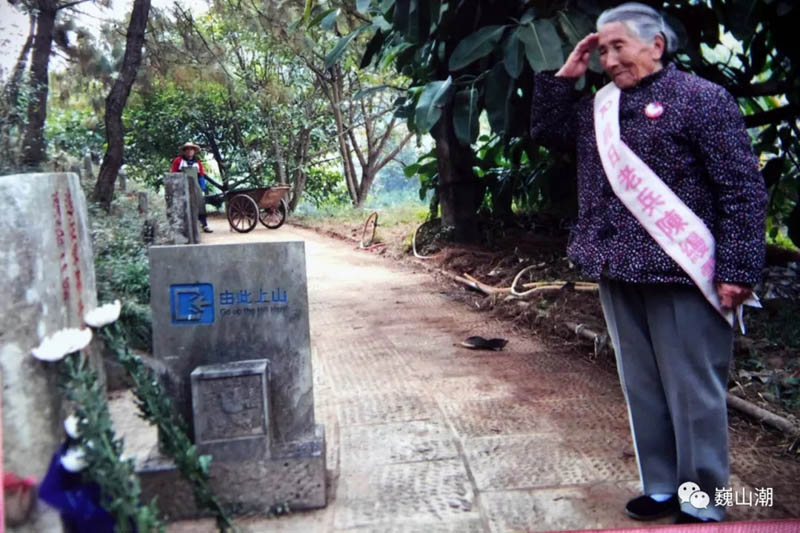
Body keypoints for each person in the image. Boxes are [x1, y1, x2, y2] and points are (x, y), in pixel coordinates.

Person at [529, 2, 766, 524]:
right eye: (602, 50)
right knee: (641, 385)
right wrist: (565, 76)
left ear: (655, 44)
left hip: (683, 273)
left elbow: (742, 190)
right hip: (617, 269)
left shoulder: (702, 99)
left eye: (619, 46)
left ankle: (701, 499)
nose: (610, 60)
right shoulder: (599, 108)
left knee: (693, 391)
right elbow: (547, 133)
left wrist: (739, 270)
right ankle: (660, 487)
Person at [171, 141, 212, 233]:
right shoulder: (178, 161)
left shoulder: (197, 162)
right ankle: (183, 227)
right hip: (182, 187)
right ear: (184, 151)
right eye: (187, 149)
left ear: (194, 151)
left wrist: (202, 188)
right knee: (183, 207)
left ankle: (204, 225)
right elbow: (173, 174)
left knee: (200, 205)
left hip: (195, 187)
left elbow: (201, 176)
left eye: (191, 150)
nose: (189, 151)